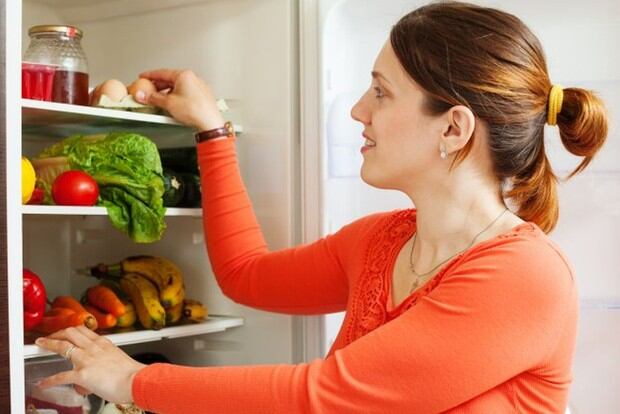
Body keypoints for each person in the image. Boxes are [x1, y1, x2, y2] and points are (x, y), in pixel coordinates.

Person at [34, 1, 608, 413]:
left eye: (381, 92)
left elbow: (326, 397)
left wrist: (136, 381)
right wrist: (214, 132)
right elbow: (246, 275)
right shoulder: (381, 242)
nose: (359, 110)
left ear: (454, 128)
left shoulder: (521, 277)